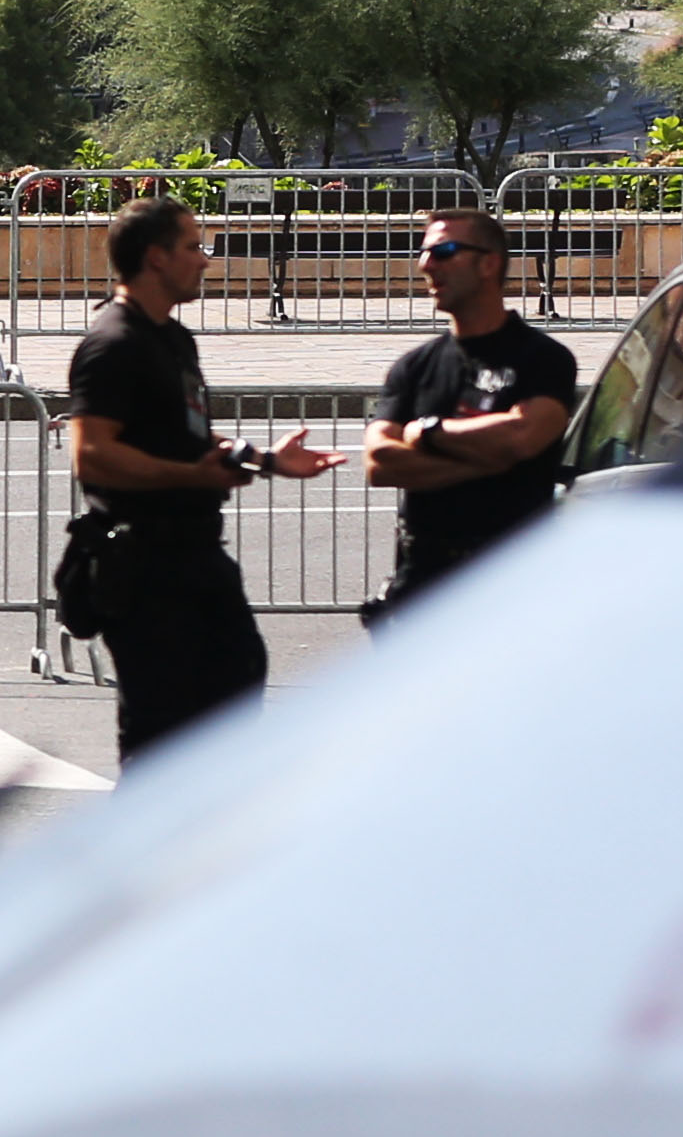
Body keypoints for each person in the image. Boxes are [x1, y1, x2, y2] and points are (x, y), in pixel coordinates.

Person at [62, 195, 336, 760]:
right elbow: (92, 455)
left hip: (197, 556)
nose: (205, 259)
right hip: (144, 568)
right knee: (162, 738)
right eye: (193, 247)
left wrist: (263, 459)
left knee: (237, 684)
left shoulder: (172, 338)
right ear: (156, 257)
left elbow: (187, 435)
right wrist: (191, 474)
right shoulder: (112, 344)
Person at [360, 206, 583, 617]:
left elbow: (522, 436)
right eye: (424, 252)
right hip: (425, 586)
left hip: (512, 585)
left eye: (443, 251)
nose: (426, 264)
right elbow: (380, 462)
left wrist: (427, 433)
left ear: (488, 264)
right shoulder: (414, 367)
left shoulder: (543, 358)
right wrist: (490, 460)